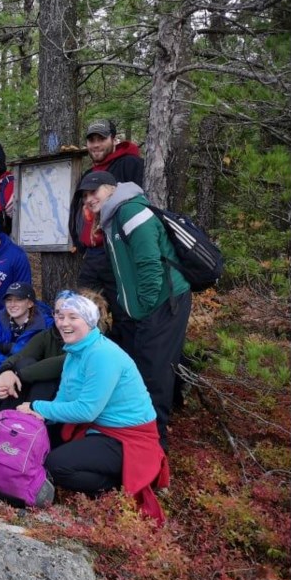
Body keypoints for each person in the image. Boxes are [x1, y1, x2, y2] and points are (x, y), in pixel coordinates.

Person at [17, 292, 169, 524]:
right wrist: (35, 419)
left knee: (55, 465)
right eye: (59, 316)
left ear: (89, 321)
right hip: (99, 427)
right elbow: (64, 399)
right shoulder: (75, 352)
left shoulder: (102, 355)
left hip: (128, 438)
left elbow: (86, 411)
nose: (64, 323)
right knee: (41, 450)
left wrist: (38, 406)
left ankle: (114, 486)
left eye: (72, 317)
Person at [83, 170, 192, 452]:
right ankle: (143, 438)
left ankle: (156, 451)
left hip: (165, 303)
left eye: (94, 191)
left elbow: (149, 266)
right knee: (145, 370)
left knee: (153, 375)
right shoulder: (113, 218)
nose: (90, 198)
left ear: (111, 188)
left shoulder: (131, 211)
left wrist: (141, 310)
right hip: (150, 309)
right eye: (85, 194)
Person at [68, 120, 144, 348]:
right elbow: (78, 210)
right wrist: (79, 242)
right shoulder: (91, 172)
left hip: (118, 251)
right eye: (92, 140)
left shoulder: (129, 164)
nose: (96, 144)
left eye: (101, 139)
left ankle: (127, 365)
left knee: (124, 315)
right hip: (92, 255)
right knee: (83, 308)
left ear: (113, 139)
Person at [0, 289, 112, 418]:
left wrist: (17, 374)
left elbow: (60, 364)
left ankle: (27, 421)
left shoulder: (92, 342)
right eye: (58, 313)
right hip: (44, 392)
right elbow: (22, 355)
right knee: (22, 366)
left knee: (44, 380)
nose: (63, 319)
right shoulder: (48, 335)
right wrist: (6, 371)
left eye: (70, 314)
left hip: (72, 396)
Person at [0, 282, 53, 378]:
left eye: (18, 300)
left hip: (31, 375)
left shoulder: (45, 324)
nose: (12, 304)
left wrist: (12, 348)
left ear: (30, 303)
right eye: (9, 300)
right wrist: (9, 366)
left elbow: (40, 357)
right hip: (4, 369)